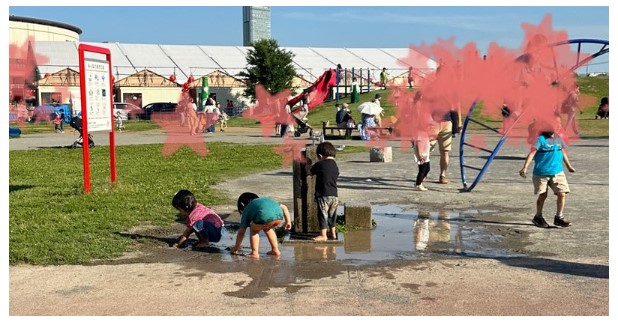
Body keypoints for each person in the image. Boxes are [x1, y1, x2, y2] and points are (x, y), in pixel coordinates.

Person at [519, 118, 576, 228]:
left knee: (562, 193)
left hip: (557, 172)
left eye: (559, 124)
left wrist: (569, 166)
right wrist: (525, 167)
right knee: (543, 195)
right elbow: (532, 153)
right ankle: (538, 216)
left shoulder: (558, 138)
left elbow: (563, 152)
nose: (558, 126)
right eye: (555, 124)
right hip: (542, 173)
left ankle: (559, 217)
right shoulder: (540, 139)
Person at [231, 192, 292, 258]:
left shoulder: (247, 209)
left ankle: (254, 253)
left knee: (254, 229)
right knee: (267, 229)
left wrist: (236, 247)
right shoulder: (263, 200)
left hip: (264, 216)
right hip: (279, 216)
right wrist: (288, 222)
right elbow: (284, 207)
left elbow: (241, 232)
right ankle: (275, 250)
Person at [307, 142, 340, 241]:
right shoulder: (335, 165)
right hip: (334, 195)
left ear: (320, 155)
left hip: (323, 195)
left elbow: (309, 172)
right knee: (332, 215)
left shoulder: (320, 164)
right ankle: (333, 233)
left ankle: (323, 235)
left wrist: (307, 167)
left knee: (323, 215)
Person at [431, 107, 461, 184]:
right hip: (432, 122)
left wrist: (459, 122)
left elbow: (457, 105)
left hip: (447, 123)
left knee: (445, 151)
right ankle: (423, 173)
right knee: (426, 150)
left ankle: (442, 175)